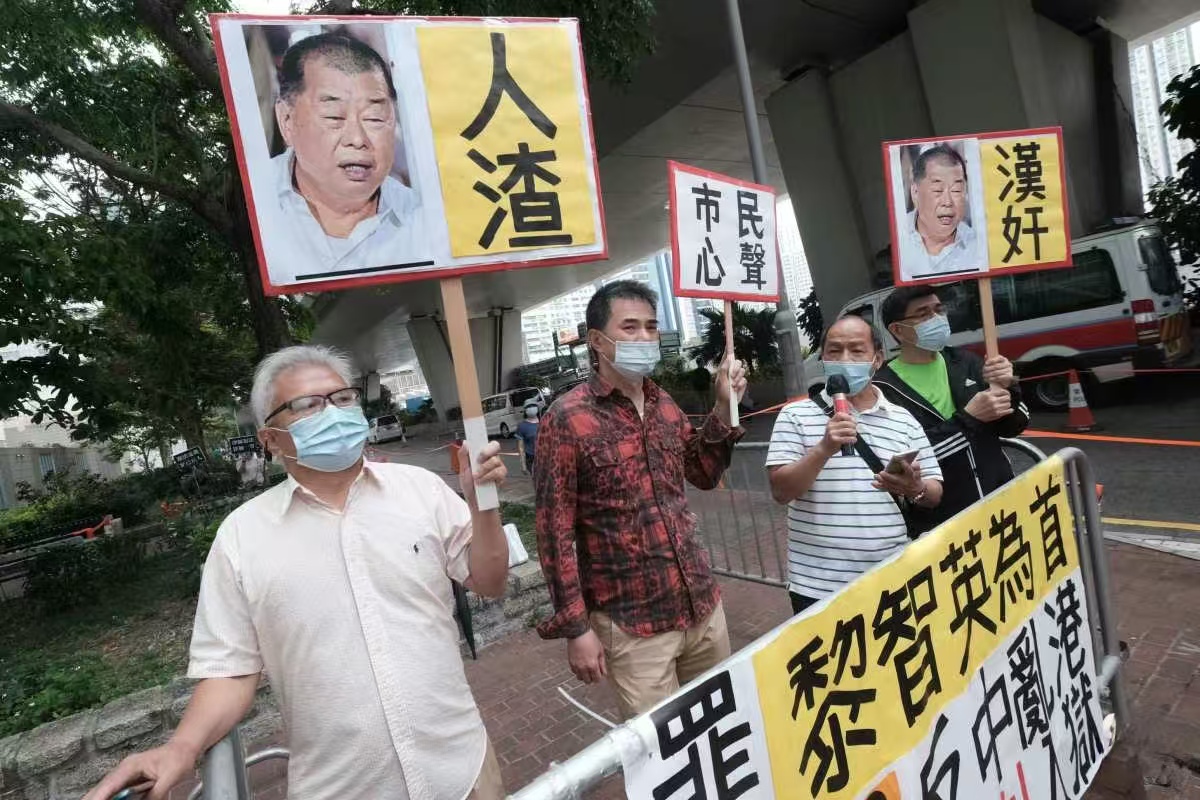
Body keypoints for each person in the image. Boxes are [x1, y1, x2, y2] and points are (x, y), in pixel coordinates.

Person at [85, 345, 509, 800]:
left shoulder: (421, 490)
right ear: (270, 439)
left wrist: (482, 506)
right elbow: (231, 670)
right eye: (308, 405)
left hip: (462, 769)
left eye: (343, 398)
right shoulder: (242, 538)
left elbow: (489, 581)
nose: (334, 413)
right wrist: (181, 747)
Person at [534, 280, 747, 721]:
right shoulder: (567, 418)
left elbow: (703, 473)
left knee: (721, 727)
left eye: (651, 327)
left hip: (701, 605)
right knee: (663, 746)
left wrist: (723, 407)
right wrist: (576, 628)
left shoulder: (663, 403)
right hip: (632, 624)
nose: (645, 338)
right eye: (629, 327)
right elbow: (553, 533)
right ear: (597, 341)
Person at [766, 316, 944, 616]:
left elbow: (935, 492)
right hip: (818, 587)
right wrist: (823, 449)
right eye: (834, 351)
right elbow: (781, 491)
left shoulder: (904, 419)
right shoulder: (794, 415)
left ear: (877, 359)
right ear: (823, 358)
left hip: (893, 577)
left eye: (857, 350)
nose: (844, 359)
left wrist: (915, 487)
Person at [269, 32, 428, 279]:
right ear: (287, 120)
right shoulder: (256, 199)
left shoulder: (424, 219)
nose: (357, 139)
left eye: (374, 118)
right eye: (334, 116)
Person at [874, 285, 1030, 531]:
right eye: (924, 314)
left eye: (939, 310)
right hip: (942, 519)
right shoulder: (883, 388)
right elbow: (906, 460)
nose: (936, 318)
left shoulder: (965, 362)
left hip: (1000, 498)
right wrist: (968, 419)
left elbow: (1015, 426)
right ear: (898, 330)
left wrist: (1009, 387)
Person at [897, 144, 987, 280]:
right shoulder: (900, 238)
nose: (948, 202)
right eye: (937, 190)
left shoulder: (977, 247)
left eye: (956, 190)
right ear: (915, 192)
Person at [515, 400, 540, 475]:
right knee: (536, 478)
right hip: (531, 458)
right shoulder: (522, 426)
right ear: (525, 410)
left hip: (545, 457)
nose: (531, 408)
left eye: (533, 405)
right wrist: (523, 465)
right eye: (529, 406)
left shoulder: (544, 421)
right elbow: (521, 447)